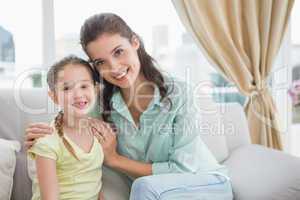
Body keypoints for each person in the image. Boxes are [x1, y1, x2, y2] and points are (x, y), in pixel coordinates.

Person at [26, 13, 233, 200]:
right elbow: (73, 115)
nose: (114, 68)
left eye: (118, 52)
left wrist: (115, 160)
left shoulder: (180, 93)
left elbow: (183, 169)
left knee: (144, 187)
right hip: (152, 193)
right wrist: (44, 135)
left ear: (135, 42)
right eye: (101, 62)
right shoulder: (101, 103)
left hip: (204, 182)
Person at [27, 55, 107, 200]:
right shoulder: (47, 141)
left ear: (95, 90)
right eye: (67, 88)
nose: (78, 94)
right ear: (54, 97)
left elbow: (95, 184)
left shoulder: (96, 133)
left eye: (84, 86)